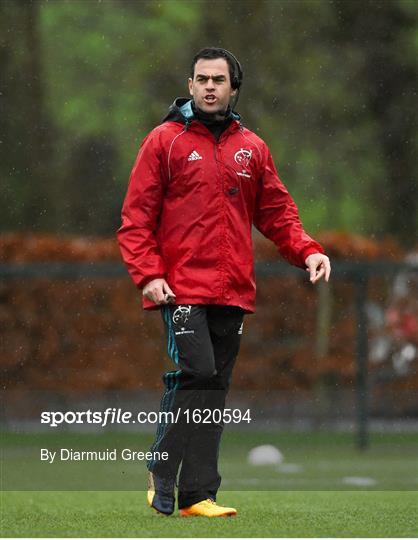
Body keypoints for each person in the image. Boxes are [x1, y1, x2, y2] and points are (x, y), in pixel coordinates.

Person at [116, 47, 331, 517]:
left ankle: (198, 495)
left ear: (233, 89)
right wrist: (149, 275)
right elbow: (136, 219)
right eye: (201, 79)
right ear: (190, 86)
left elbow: (277, 213)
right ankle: (161, 463)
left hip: (232, 290)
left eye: (218, 79)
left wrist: (308, 250)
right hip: (181, 288)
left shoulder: (252, 147)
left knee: (214, 393)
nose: (209, 86)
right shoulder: (164, 141)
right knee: (200, 374)